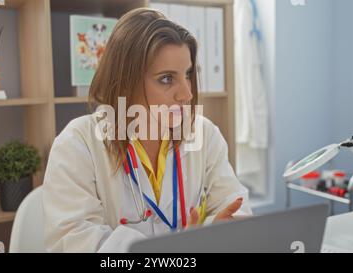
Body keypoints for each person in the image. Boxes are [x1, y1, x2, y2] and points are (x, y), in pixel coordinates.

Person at [43, 8, 252, 253]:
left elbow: (235, 208)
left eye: (188, 75)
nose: (187, 94)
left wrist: (217, 232)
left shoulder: (205, 136)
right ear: (125, 81)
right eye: (166, 78)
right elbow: (74, 242)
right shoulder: (77, 144)